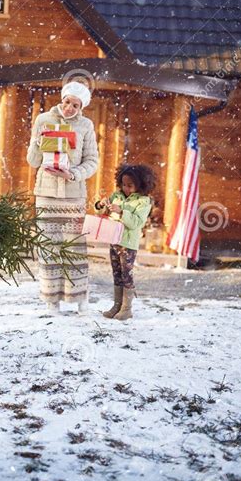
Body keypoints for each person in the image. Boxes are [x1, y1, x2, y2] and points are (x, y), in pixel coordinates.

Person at [27, 78, 99, 314]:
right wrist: (38, 143)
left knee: (74, 246)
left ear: (82, 107)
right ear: (62, 99)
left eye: (75, 105)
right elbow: (33, 161)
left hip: (73, 196)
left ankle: (80, 299)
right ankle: (51, 300)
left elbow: (92, 161)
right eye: (67, 102)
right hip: (46, 194)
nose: (69, 108)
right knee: (49, 247)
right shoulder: (43, 120)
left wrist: (73, 173)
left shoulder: (86, 126)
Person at [95, 164, 155, 321]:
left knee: (126, 275)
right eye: (123, 184)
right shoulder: (117, 196)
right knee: (117, 274)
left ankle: (127, 308)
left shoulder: (143, 201)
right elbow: (103, 212)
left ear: (140, 184)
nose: (126, 188)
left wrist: (121, 211)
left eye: (130, 185)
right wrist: (102, 205)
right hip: (114, 240)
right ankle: (117, 305)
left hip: (128, 244)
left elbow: (136, 222)